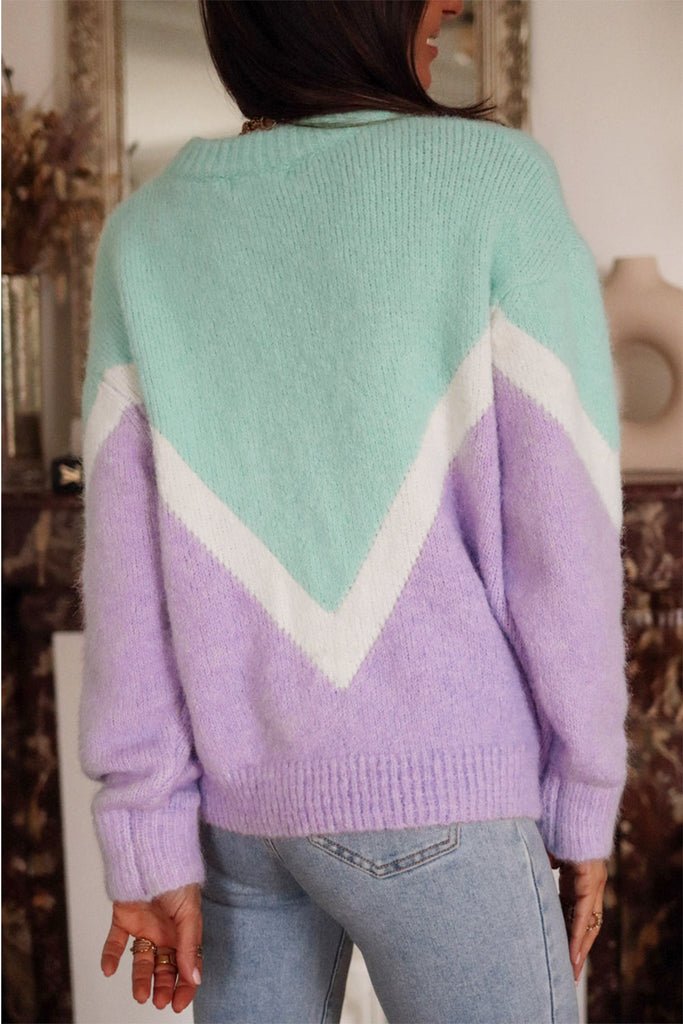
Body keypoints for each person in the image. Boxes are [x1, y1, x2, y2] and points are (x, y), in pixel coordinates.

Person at [78, 1, 629, 1020]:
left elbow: (126, 578)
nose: (450, 4)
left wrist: (145, 834)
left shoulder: (144, 235)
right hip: (449, 798)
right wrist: (583, 796)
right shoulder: (493, 185)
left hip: (242, 827)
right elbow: (562, 540)